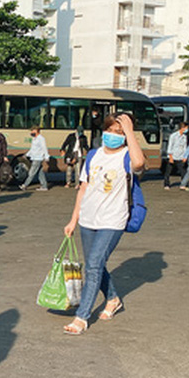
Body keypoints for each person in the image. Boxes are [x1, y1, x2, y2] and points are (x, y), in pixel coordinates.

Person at [62, 113, 146, 335]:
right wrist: (73, 219)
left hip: (113, 219)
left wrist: (128, 131)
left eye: (118, 133)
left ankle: (82, 317)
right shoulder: (93, 155)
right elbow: (83, 188)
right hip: (88, 218)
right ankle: (113, 299)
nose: (113, 135)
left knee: (93, 265)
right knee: (94, 264)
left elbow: (139, 164)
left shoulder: (128, 156)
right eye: (110, 130)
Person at [20, 126, 49, 191]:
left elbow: (44, 148)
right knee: (40, 173)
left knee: (31, 173)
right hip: (34, 157)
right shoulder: (34, 139)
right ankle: (44, 186)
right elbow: (32, 149)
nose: (31, 132)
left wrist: (46, 156)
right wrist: (26, 155)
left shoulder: (41, 139)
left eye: (33, 130)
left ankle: (25, 185)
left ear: (37, 130)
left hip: (38, 158)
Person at [163, 121, 189, 190]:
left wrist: (185, 156)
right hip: (173, 156)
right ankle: (166, 184)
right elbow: (170, 146)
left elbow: (184, 147)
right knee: (168, 171)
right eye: (186, 128)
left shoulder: (184, 137)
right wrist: (170, 157)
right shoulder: (173, 136)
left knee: (183, 171)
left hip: (180, 157)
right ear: (182, 128)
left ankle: (183, 184)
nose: (187, 129)